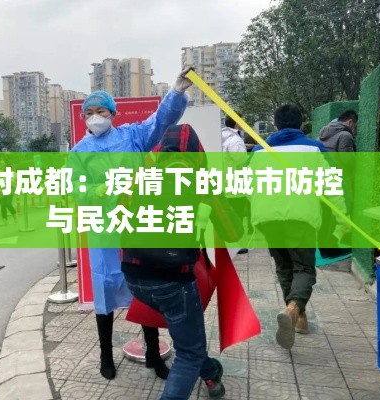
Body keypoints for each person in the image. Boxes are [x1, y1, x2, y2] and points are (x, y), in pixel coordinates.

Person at [69, 68, 192, 380]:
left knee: (146, 290)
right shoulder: (78, 152)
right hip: (103, 230)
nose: (95, 117)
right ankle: (105, 355)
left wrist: (177, 91)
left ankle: (153, 353)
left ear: (113, 114)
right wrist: (99, 190)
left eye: (101, 112)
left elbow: (160, 121)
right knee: (104, 290)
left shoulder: (132, 136)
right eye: (89, 113)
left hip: (136, 227)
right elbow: (76, 190)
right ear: (83, 118)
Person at [122, 124, 226, 400]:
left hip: (134, 277)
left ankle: (211, 373)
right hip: (173, 281)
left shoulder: (140, 176)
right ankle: (208, 371)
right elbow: (232, 229)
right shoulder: (201, 181)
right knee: (189, 352)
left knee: (187, 337)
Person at [251, 104, 348, 349]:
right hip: (301, 219)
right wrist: (342, 220)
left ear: (275, 125)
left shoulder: (259, 150)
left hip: (268, 220)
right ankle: (294, 308)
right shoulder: (314, 148)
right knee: (304, 269)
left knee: (284, 267)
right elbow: (332, 185)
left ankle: (298, 317)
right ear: (302, 124)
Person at [318, 109, 358, 257]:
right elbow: (347, 160)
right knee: (340, 212)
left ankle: (325, 247)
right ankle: (331, 248)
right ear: (350, 122)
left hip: (323, 178)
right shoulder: (345, 135)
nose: (355, 129)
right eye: (355, 125)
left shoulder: (323, 134)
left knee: (326, 214)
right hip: (338, 179)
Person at [221, 113, 249, 253]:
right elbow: (241, 161)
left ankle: (228, 243)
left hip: (224, 182)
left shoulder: (222, 136)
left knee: (227, 214)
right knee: (237, 214)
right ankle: (236, 244)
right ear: (237, 122)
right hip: (235, 184)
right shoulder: (235, 140)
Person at [0, 153, 18, 226]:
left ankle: (15, 215)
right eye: (0, 160)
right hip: (1, 189)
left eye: (2, 160)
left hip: (10, 188)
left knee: (8, 204)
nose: (1, 162)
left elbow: (14, 176)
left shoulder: (9, 169)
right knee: (2, 206)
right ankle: (4, 221)